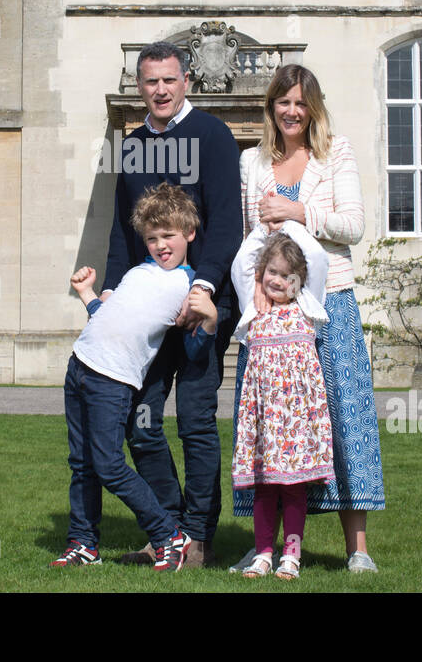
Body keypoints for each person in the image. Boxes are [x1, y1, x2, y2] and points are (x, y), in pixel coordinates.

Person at [232, 63, 386, 574]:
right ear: (271, 107)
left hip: (330, 305)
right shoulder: (252, 162)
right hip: (273, 316)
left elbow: (355, 226)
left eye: (301, 102)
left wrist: (300, 214)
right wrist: (253, 297)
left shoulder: (334, 151)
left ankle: (357, 549)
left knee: (345, 418)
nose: (292, 111)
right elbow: (249, 242)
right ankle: (266, 549)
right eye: (283, 102)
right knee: (269, 422)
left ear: (312, 107)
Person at [102, 41, 242, 567]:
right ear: (139, 85)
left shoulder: (213, 135)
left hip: (206, 301)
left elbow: (228, 221)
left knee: (195, 421)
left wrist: (204, 288)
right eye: (149, 81)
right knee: (140, 417)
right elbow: (122, 229)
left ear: (186, 81)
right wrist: (113, 291)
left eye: (168, 80)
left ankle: (200, 539)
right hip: (147, 305)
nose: (159, 90)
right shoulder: (133, 144)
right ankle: (167, 531)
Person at [54, 183, 218, 571]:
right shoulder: (135, 273)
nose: (161, 245)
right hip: (79, 367)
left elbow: (194, 351)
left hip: (113, 381)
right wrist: (87, 294)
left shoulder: (188, 287)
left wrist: (209, 319)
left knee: (109, 464)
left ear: (190, 234)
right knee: (82, 463)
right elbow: (109, 319)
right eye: (152, 238)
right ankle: (83, 544)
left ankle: (169, 535)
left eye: (169, 236)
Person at [229, 222, 335, 579]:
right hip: (264, 417)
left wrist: (289, 223)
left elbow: (318, 256)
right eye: (271, 272)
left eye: (286, 275)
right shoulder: (252, 308)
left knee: (293, 486)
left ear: (299, 280)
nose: (277, 280)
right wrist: (265, 229)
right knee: (264, 485)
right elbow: (241, 262)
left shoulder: (309, 306)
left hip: (297, 417)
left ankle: (291, 553)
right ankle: (262, 552)